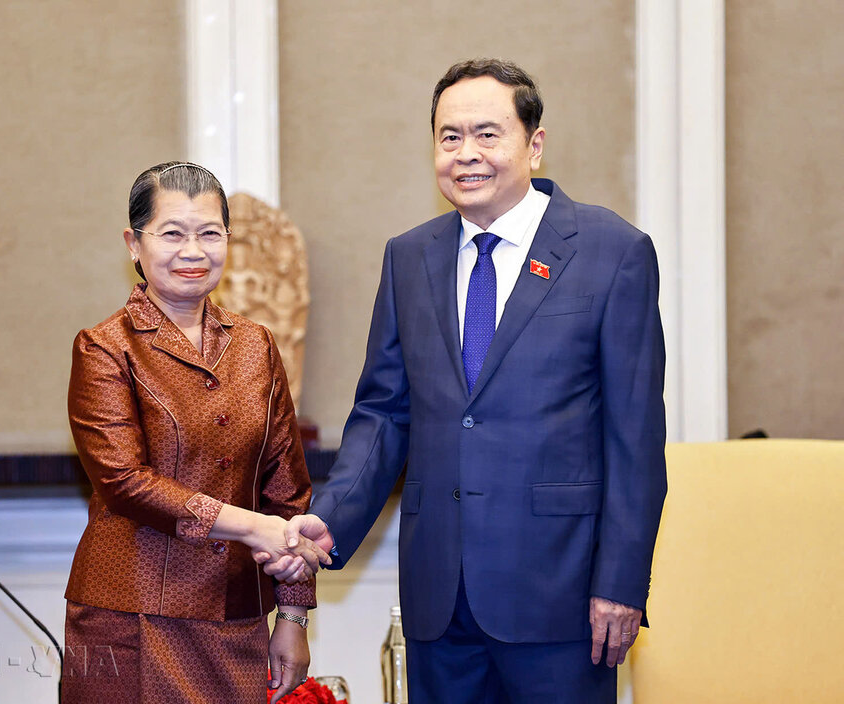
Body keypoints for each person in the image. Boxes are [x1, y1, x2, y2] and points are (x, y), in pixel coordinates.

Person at [266, 59, 667, 703]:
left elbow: (635, 439)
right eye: (449, 136)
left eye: (487, 134)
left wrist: (621, 583)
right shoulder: (409, 256)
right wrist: (330, 519)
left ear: (534, 144)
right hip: (439, 599)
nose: (466, 153)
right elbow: (384, 413)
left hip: (561, 595)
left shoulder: (612, 251)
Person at [63, 161, 328, 704]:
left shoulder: (257, 345)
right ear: (133, 244)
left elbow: (286, 489)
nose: (193, 251)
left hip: (237, 616)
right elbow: (124, 481)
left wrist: (294, 613)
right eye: (172, 234)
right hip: (131, 617)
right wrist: (251, 527)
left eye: (209, 233)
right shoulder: (104, 347)